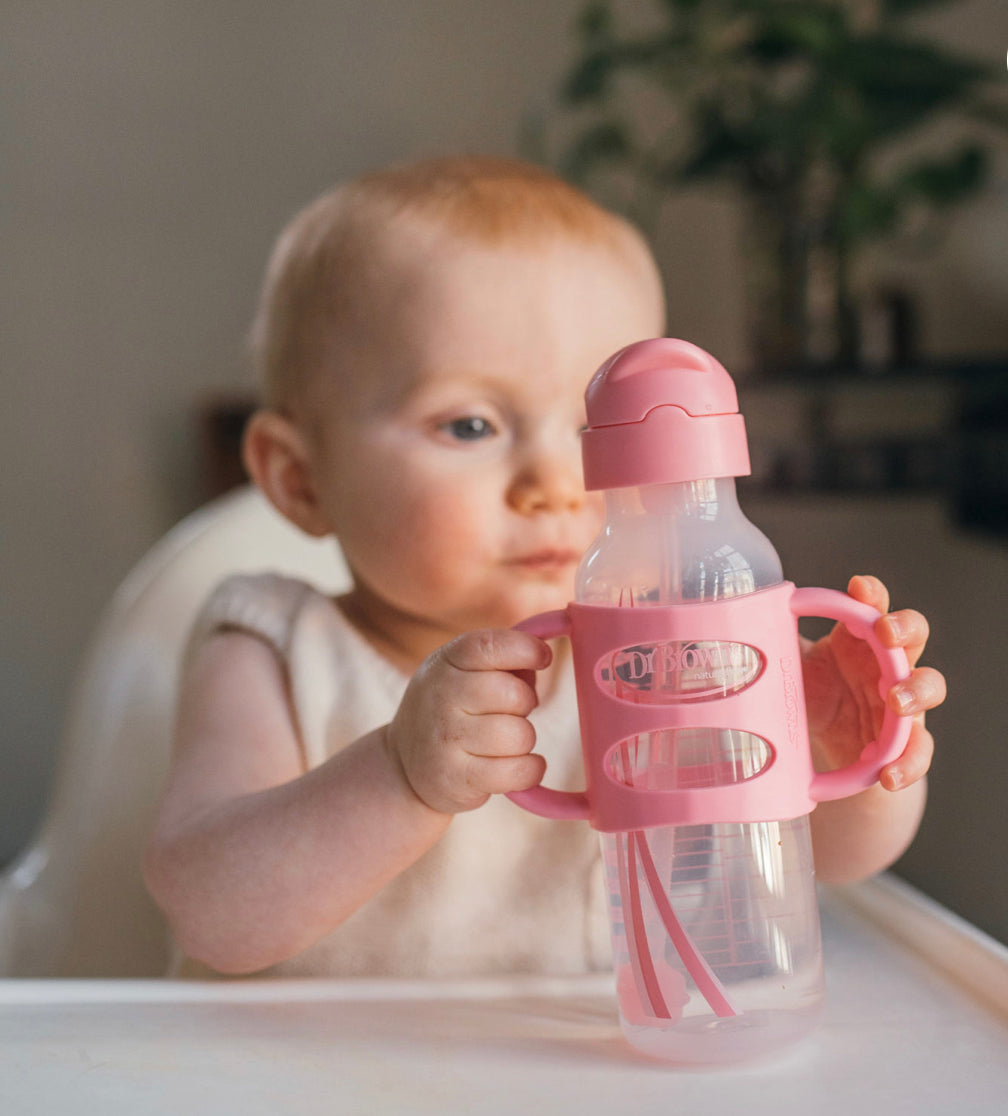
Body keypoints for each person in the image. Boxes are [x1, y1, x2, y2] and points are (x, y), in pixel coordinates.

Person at [143, 155, 946, 978]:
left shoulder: (676, 655)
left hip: (578, 1066)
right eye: (470, 426)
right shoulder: (273, 647)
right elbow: (213, 917)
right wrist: (399, 774)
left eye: (594, 427)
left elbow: (838, 861)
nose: (557, 485)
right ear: (300, 478)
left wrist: (826, 741)